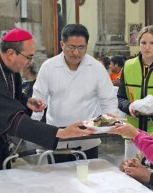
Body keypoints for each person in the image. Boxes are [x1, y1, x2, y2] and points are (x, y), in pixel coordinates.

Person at [0, 27, 94, 193]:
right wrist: (60, 133)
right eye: (29, 56)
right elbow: (12, 120)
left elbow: (7, 96)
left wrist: (25, 100)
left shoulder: (2, 64)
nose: (30, 62)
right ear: (11, 52)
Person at [33, 24, 118, 163]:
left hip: (88, 138)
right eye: (71, 47)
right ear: (62, 44)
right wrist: (35, 130)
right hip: (58, 137)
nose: (76, 53)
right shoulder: (49, 67)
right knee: (58, 180)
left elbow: (108, 100)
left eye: (81, 48)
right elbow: (38, 101)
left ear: (86, 46)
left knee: (88, 179)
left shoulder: (96, 68)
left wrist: (109, 125)